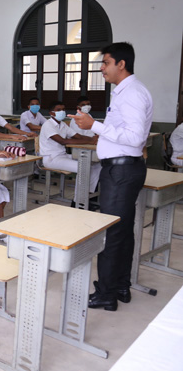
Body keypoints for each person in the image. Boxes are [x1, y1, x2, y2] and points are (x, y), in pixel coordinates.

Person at [69, 42, 152, 311]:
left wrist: (94, 125)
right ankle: (119, 285)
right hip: (122, 167)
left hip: (122, 169)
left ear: (121, 64)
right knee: (122, 230)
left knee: (113, 231)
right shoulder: (124, 92)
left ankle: (106, 291)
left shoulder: (133, 94)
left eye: (105, 63)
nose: (101, 68)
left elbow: (135, 137)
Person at [39, 100, 100, 206]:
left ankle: (87, 195)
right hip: (51, 159)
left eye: (63, 109)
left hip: (62, 156)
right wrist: (91, 141)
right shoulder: (47, 125)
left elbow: (78, 137)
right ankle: (77, 201)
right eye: (58, 110)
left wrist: (93, 139)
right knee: (82, 166)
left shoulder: (63, 125)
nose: (61, 112)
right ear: (51, 113)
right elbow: (63, 141)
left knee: (96, 164)